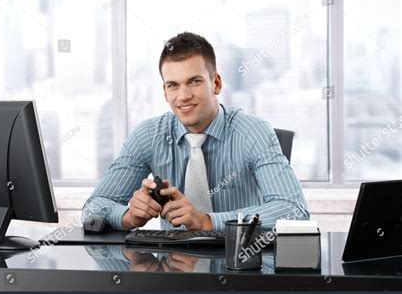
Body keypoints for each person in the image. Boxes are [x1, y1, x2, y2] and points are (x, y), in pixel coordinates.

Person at [82, 32, 309, 231]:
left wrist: (207, 222)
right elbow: (93, 207)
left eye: (194, 82)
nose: (183, 96)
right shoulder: (148, 136)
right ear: (164, 91)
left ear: (216, 83)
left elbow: (294, 211)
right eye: (173, 85)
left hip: (241, 267)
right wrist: (128, 216)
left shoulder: (253, 132)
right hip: (174, 270)